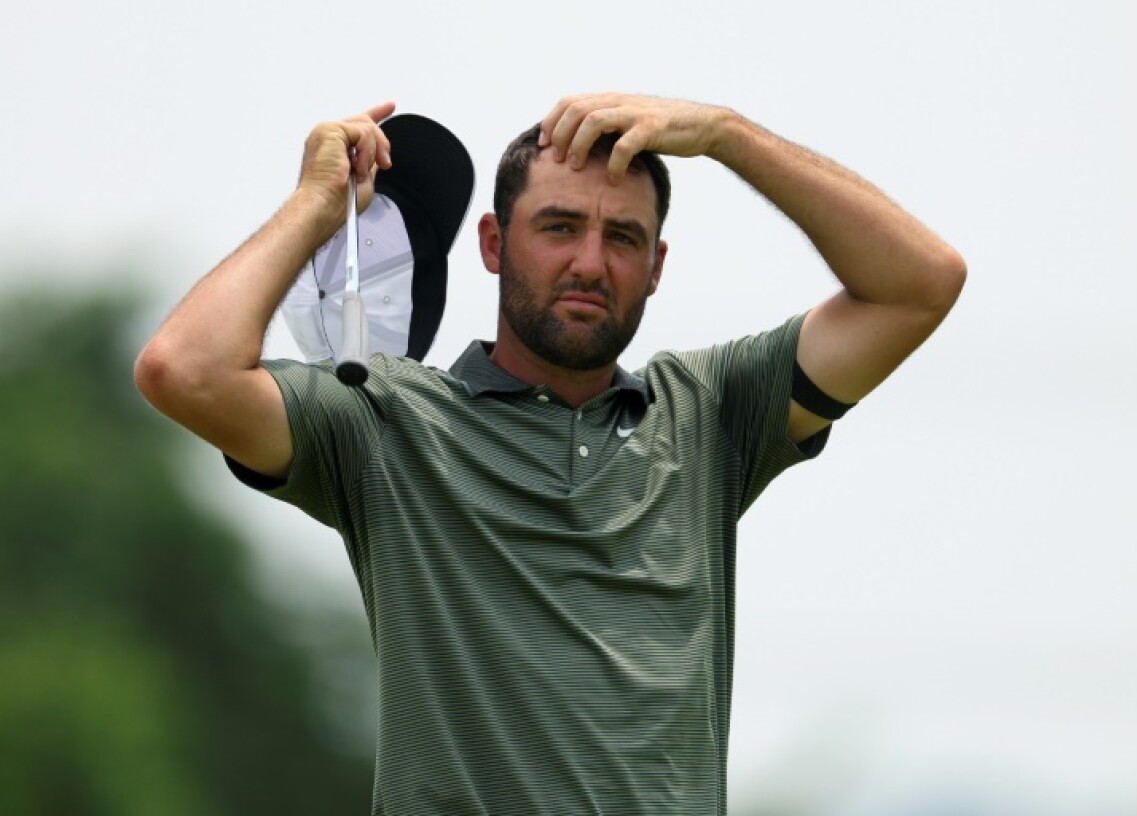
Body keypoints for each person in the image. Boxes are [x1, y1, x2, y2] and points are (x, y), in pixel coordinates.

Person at [135, 92, 965, 815]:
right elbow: (184, 369)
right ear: (494, 244)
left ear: (656, 267)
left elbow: (921, 282)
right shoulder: (384, 423)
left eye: (624, 238)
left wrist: (725, 134)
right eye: (559, 228)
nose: (590, 263)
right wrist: (318, 205)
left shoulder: (712, 414)